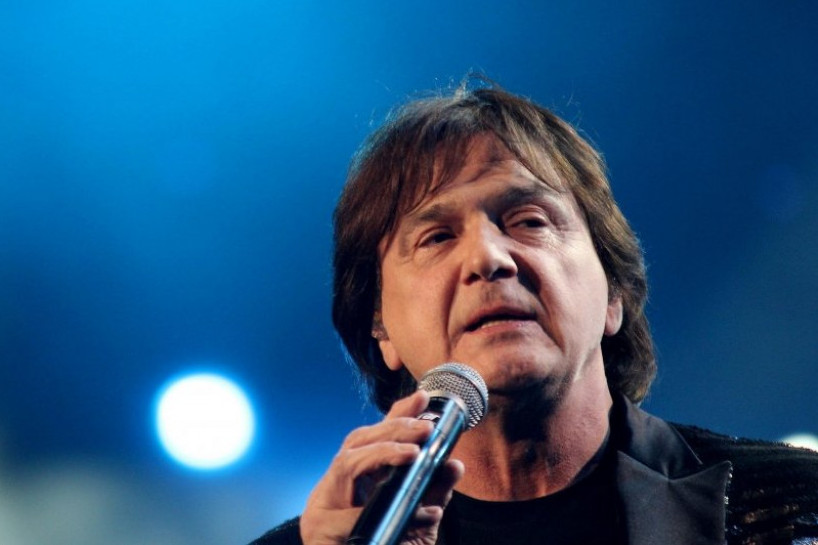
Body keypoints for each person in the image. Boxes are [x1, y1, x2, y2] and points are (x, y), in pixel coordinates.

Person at [251, 83, 818, 545]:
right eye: (437, 237)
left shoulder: (794, 505)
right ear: (382, 331)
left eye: (529, 221)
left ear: (614, 293)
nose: (488, 259)